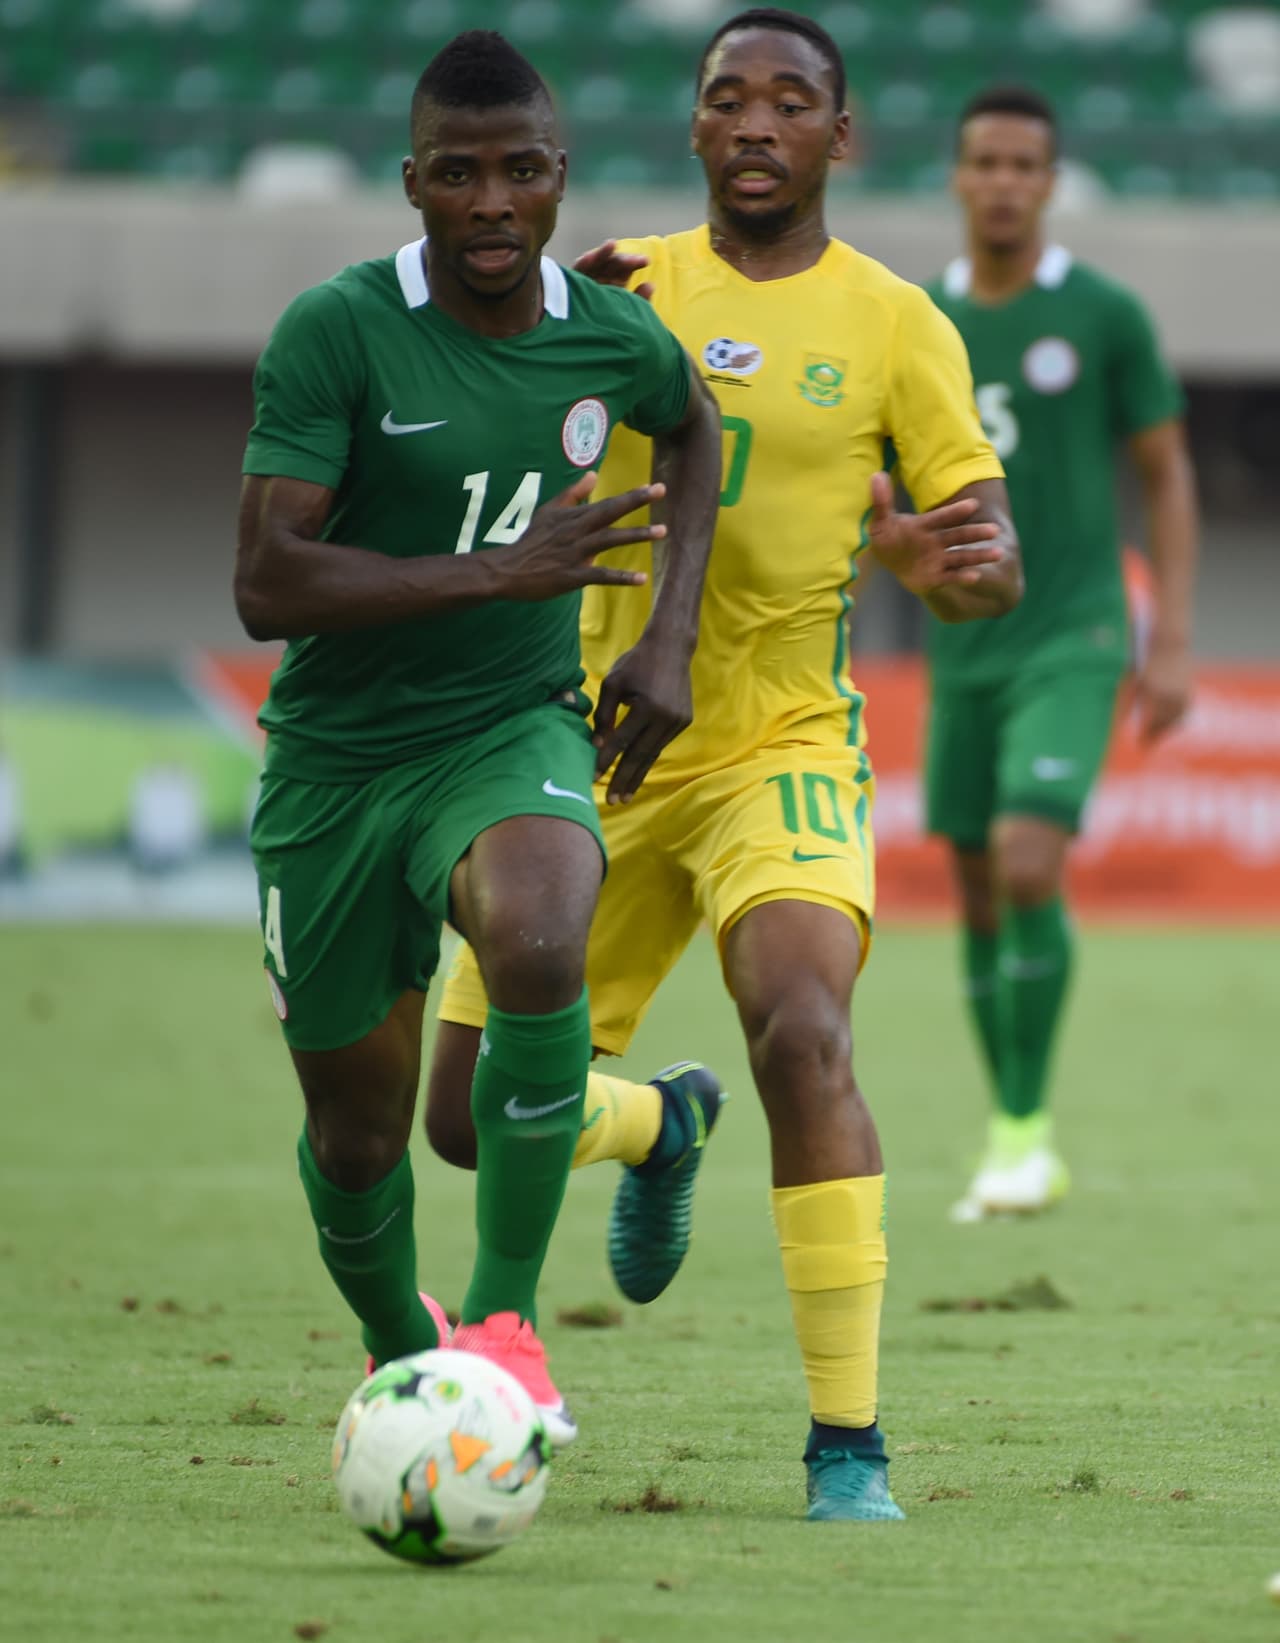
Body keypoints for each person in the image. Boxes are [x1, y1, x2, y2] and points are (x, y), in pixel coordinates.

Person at [424, 8, 1021, 1520]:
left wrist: (940, 564)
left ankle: (850, 1446)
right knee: (457, 1111)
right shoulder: (610, 286)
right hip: (586, 740)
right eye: (725, 98)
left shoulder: (900, 324)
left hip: (781, 739)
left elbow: (984, 560)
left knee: (805, 1028)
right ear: (694, 131)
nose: (755, 121)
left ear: (842, 135)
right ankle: (654, 1121)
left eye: (789, 101)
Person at [234, 30, 721, 1449]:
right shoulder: (336, 328)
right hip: (333, 764)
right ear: (413, 185)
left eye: (521, 171)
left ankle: (505, 1335)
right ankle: (411, 1364)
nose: (493, 203)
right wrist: (502, 567)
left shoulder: (605, 330)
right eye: (460, 174)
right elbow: (267, 582)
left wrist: (668, 634)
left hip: (510, 728)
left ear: (561, 178)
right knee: (360, 1136)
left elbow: (693, 427)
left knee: (539, 935)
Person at [924, 87, 1198, 1222]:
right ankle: (1012, 1126)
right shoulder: (916, 321)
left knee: (1028, 859)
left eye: (1022, 164)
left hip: (1076, 631)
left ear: (1047, 181)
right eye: (982, 161)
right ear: (956, 174)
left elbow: (1164, 470)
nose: (1001, 181)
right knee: (980, 891)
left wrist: (1167, 633)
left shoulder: (1101, 314)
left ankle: (1023, 1132)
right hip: (962, 648)